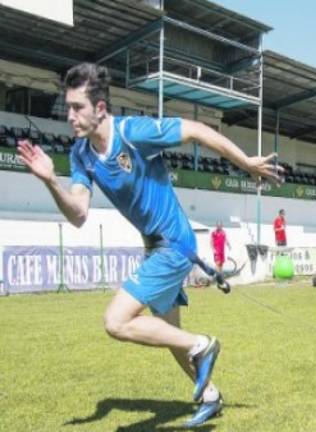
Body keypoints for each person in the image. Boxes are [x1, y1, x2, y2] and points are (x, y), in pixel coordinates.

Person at [17, 63, 283, 427]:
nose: (70, 116)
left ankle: (203, 345)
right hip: (155, 247)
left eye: (77, 107)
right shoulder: (81, 154)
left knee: (116, 321)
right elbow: (78, 213)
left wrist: (247, 163)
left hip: (174, 243)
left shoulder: (133, 133)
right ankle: (210, 395)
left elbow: (198, 130)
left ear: (99, 109)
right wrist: (50, 180)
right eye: (67, 107)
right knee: (171, 336)